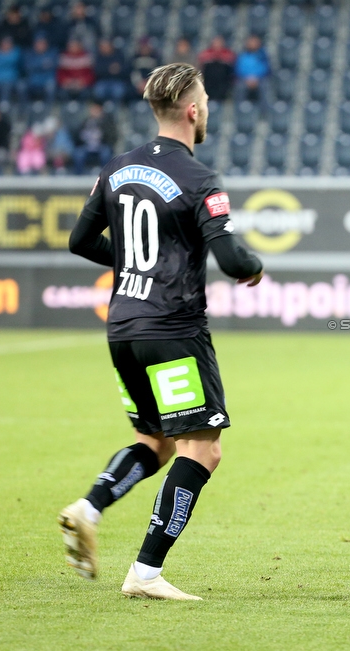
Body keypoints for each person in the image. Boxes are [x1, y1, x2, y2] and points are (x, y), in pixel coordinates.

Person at [61, 62, 264, 600]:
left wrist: (131, 264)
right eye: (207, 104)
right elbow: (232, 259)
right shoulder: (200, 178)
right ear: (193, 110)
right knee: (203, 448)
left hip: (122, 328)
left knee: (154, 440)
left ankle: (88, 507)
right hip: (172, 329)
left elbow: (80, 241)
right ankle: (146, 571)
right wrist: (255, 266)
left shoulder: (116, 167)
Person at [198, 35, 236, 102]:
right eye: (215, 43)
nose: (217, 45)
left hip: (223, 79)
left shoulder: (227, 52)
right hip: (209, 79)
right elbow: (202, 61)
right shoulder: (207, 52)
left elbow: (230, 61)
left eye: (219, 43)